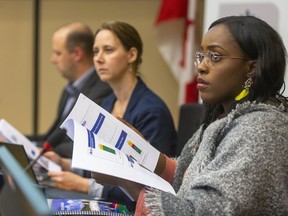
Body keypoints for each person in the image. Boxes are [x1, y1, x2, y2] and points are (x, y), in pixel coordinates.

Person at [92, 15, 288, 215]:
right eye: (201, 56)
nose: (201, 66)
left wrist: (126, 179)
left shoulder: (261, 128)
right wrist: (138, 149)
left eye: (215, 57)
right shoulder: (223, 117)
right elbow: (188, 175)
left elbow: (204, 211)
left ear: (251, 68)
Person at [45, 21, 177, 212]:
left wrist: (84, 185)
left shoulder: (152, 111)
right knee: (42, 201)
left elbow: (151, 184)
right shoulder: (107, 103)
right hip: (109, 201)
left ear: (132, 55)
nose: (98, 59)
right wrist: (66, 164)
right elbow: (105, 164)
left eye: (108, 50)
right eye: (96, 51)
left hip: (136, 209)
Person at [30, 22, 112, 158]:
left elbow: (84, 145)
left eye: (57, 53)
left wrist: (43, 152)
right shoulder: (69, 89)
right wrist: (18, 143)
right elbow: (53, 137)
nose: (52, 60)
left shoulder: (102, 89)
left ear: (77, 54)